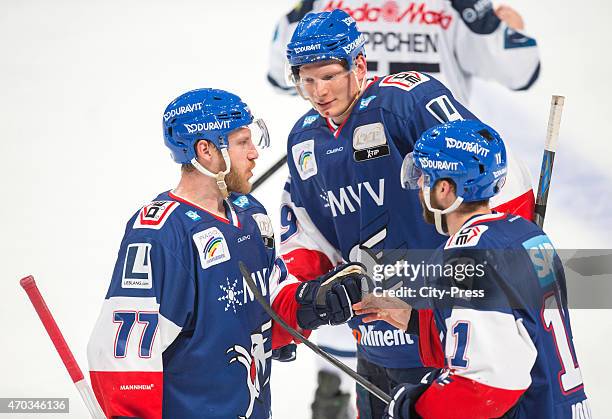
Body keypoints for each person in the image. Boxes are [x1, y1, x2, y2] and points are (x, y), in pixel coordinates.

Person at [276, 9, 535, 419]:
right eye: (306, 79)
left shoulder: (407, 99)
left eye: (328, 76)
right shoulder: (303, 139)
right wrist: (302, 305)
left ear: (358, 64)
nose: (318, 91)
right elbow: (309, 234)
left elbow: (491, 168)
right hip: (374, 339)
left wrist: (511, 249)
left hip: (443, 337)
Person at [86, 88, 367, 419]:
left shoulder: (251, 216)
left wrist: (311, 303)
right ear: (205, 150)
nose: (254, 154)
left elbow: (266, 310)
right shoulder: (161, 234)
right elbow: (123, 360)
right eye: (242, 142)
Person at [354, 119, 591, 418]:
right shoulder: (526, 234)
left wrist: (419, 409)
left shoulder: (466, 256)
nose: (417, 186)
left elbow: (487, 386)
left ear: (444, 189)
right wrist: (414, 319)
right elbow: (512, 332)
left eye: (424, 177)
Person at [267, 0, 540, 105]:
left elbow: (281, 74)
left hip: (350, 161)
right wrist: (510, 31)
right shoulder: (457, 3)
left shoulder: (318, 4)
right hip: (439, 162)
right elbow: (519, 70)